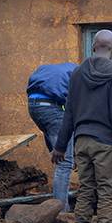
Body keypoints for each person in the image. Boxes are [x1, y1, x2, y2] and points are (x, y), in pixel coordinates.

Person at [53, 30, 112, 223]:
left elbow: (69, 111)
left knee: (86, 187)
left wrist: (60, 146)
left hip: (81, 141)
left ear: (93, 47)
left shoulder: (78, 73)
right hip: (106, 143)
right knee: (107, 188)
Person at [25, 61, 77, 211]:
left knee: (59, 153)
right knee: (65, 163)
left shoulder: (66, 70)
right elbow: (76, 114)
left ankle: (58, 203)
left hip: (34, 106)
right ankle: (61, 211)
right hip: (49, 108)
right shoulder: (81, 77)